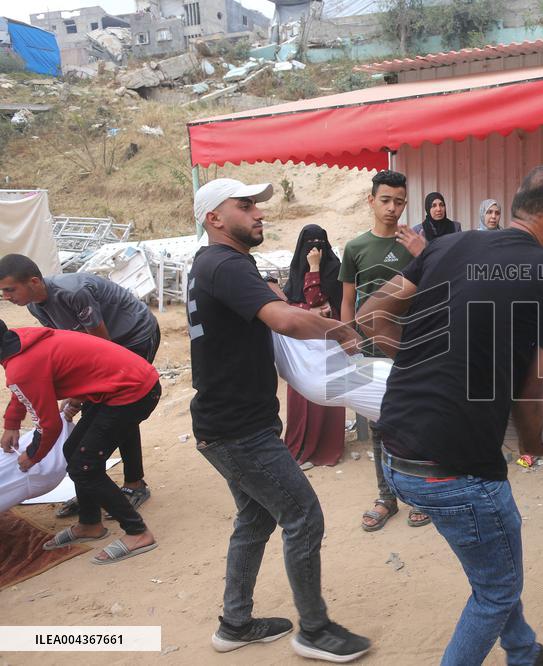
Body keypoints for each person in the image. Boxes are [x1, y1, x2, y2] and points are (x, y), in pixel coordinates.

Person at [357, 163, 543, 666]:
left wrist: (423, 360)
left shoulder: (446, 246)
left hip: (394, 453)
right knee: (497, 591)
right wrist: (537, 446)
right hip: (458, 472)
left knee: (493, 569)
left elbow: (370, 316)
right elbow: (532, 392)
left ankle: (524, 654)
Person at [187, 178, 371, 660]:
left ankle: (235, 624)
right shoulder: (225, 264)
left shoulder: (212, 263)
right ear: (214, 218)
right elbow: (286, 320)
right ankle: (315, 630)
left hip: (225, 424)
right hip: (238, 430)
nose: (259, 213)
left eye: (258, 206)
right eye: (245, 206)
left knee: (255, 519)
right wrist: (340, 330)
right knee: (303, 516)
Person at [0, 254, 160, 518]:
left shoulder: (72, 293)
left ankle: (133, 483)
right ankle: (90, 487)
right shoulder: (35, 306)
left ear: (34, 282)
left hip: (133, 336)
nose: (6, 297)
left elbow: (101, 345)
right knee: (100, 413)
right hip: (104, 349)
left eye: (10, 290)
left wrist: (79, 396)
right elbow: (58, 346)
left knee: (118, 407)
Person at [0, 322, 161, 564]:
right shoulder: (19, 343)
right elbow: (24, 387)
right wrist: (12, 422)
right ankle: (90, 524)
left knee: (84, 467)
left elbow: (49, 425)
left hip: (132, 391)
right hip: (122, 383)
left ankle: (138, 533)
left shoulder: (20, 366)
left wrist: (33, 455)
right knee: (72, 451)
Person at [338, 170, 430, 532]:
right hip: (372, 352)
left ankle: (418, 496)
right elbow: (348, 300)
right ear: (371, 201)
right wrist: (348, 339)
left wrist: (425, 254)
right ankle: (386, 497)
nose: (393, 208)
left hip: (411, 348)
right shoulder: (355, 248)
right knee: (379, 424)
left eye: (400, 202)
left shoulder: (416, 243)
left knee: (415, 421)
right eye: (386, 200)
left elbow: (437, 290)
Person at [281, 224, 346, 469]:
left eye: (319, 243)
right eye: (309, 244)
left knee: (326, 394)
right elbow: (294, 304)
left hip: (327, 344)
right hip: (303, 348)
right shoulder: (296, 271)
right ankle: (301, 447)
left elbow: (316, 299)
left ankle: (325, 449)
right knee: (302, 396)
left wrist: (315, 268)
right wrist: (306, 311)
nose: (314, 249)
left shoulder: (334, 269)